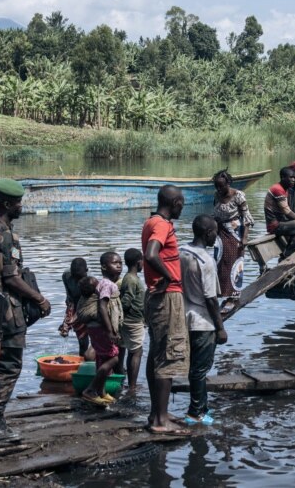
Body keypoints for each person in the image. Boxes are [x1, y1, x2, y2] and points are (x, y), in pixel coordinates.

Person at [0, 178, 51, 443]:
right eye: (18, 202)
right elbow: (10, 277)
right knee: (8, 365)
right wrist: (40, 299)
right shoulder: (3, 235)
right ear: (8, 204)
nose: (21, 205)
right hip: (6, 312)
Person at [142, 185, 192, 436]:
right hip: (167, 297)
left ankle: (156, 412)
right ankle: (160, 420)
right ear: (176, 203)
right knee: (167, 356)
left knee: (156, 354)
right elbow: (151, 254)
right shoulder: (162, 225)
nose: (182, 207)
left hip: (156, 297)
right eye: (181, 203)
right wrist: (166, 276)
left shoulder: (151, 221)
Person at [180, 215, 228, 426]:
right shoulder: (206, 261)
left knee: (194, 368)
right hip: (202, 322)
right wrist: (220, 328)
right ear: (208, 233)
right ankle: (195, 413)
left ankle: (203, 408)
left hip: (184, 317)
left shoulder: (181, 251)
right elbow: (210, 299)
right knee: (200, 370)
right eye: (215, 232)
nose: (216, 236)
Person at [81, 252, 123, 407]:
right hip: (102, 328)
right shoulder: (107, 284)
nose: (119, 265)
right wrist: (110, 331)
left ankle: (101, 391)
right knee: (115, 358)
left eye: (120, 262)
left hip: (96, 328)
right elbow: (103, 307)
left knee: (102, 358)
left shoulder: (105, 283)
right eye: (115, 263)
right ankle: (90, 390)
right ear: (104, 267)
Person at [212, 169, 254, 296]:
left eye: (221, 186)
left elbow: (247, 218)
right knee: (220, 262)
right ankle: (221, 292)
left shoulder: (238, 195)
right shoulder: (216, 195)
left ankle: (234, 294)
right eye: (217, 186)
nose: (219, 189)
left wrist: (245, 238)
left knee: (234, 262)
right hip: (220, 233)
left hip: (234, 233)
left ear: (228, 183)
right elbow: (215, 214)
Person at [118, 248, 146, 392]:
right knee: (136, 352)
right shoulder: (130, 279)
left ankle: (128, 383)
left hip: (134, 320)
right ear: (138, 262)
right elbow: (126, 300)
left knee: (132, 351)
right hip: (132, 321)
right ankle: (132, 387)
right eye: (142, 261)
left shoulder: (132, 278)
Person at [58, 258, 94, 360]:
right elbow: (70, 298)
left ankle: (90, 360)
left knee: (92, 336)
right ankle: (82, 361)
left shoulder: (90, 282)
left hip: (90, 309)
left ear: (86, 271)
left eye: (79, 278)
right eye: (74, 277)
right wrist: (67, 321)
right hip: (75, 304)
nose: (77, 281)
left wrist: (74, 318)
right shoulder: (66, 276)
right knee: (81, 340)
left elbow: (87, 304)